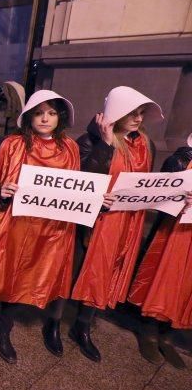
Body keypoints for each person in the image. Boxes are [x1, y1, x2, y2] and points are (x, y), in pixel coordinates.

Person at [0, 91, 81, 364]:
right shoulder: (9, 144)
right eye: (39, 112)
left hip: (45, 229)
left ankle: (3, 332)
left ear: (60, 117)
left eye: (52, 113)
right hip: (9, 223)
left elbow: (76, 190)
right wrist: (0, 189)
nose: (45, 118)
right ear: (29, 116)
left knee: (22, 280)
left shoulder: (70, 149)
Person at [70, 86, 163, 362]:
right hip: (98, 220)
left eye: (141, 113)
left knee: (112, 268)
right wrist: (106, 143)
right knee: (91, 268)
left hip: (128, 220)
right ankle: (71, 324)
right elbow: (84, 177)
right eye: (132, 113)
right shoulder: (90, 140)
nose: (138, 119)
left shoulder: (145, 144)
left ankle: (85, 322)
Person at [128, 132, 192, 369]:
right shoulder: (180, 160)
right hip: (177, 232)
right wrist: (181, 199)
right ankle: (150, 331)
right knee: (165, 279)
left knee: (186, 286)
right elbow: (161, 196)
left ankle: (168, 334)